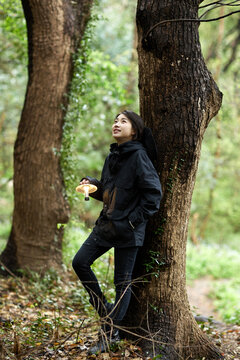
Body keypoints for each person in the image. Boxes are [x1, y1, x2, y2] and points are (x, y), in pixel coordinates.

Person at [72, 110, 162, 354]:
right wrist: (91, 186)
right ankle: (104, 311)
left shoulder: (139, 156)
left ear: (134, 131)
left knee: (122, 283)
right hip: (106, 226)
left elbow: (154, 195)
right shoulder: (113, 155)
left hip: (128, 231)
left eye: (124, 121)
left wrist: (132, 221)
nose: (116, 124)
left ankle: (110, 332)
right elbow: (109, 192)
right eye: (115, 120)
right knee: (79, 262)